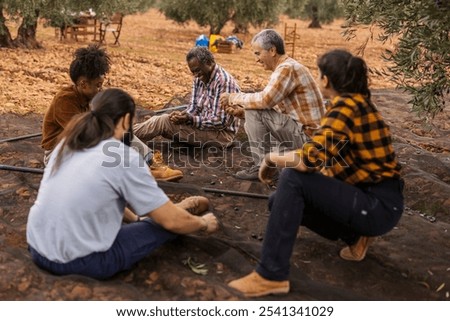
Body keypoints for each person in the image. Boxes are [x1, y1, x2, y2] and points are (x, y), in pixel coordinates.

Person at [227, 49, 404, 297]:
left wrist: (270, 159)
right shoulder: (357, 104)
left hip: (376, 205)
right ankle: (355, 237)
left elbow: (305, 162)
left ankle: (271, 274)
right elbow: (327, 158)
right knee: (277, 201)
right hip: (377, 201)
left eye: (319, 74)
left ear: (326, 80)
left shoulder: (345, 108)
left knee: (292, 176)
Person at [27, 88, 219, 279]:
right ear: (126, 120)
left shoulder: (67, 144)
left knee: (141, 219)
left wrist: (135, 220)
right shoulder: (123, 156)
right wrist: (203, 224)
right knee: (162, 225)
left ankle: (169, 214)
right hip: (80, 262)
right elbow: (170, 221)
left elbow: (100, 195)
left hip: (37, 247)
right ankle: (185, 211)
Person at [41, 43, 183, 181]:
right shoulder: (64, 100)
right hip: (59, 154)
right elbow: (84, 134)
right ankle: (143, 172)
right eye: (98, 86)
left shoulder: (85, 97)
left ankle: (153, 164)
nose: (100, 89)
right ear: (83, 84)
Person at [220, 29, 325, 180]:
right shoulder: (289, 67)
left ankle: (261, 167)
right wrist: (242, 113)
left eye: (258, 53)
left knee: (254, 109)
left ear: (272, 50)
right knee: (252, 110)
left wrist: (233, 97)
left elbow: (265, 100)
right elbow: (275, 108)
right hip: (310, 137)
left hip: (309, 139)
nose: (256, 59)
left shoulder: (286, 68)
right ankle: (275, 165)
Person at [134, 46, 240, 150]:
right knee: (162, 120)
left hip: (221, 136)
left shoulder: (223, 82)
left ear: (209, 63)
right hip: (203, 128)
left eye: (198, 70)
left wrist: (190, 119)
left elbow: (220, 122)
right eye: (193, 72)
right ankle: (128, 134)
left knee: (162, 121)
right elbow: (193, 108)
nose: (196, 75)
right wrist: (183, 116)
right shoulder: (199, 78)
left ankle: (123, 135)